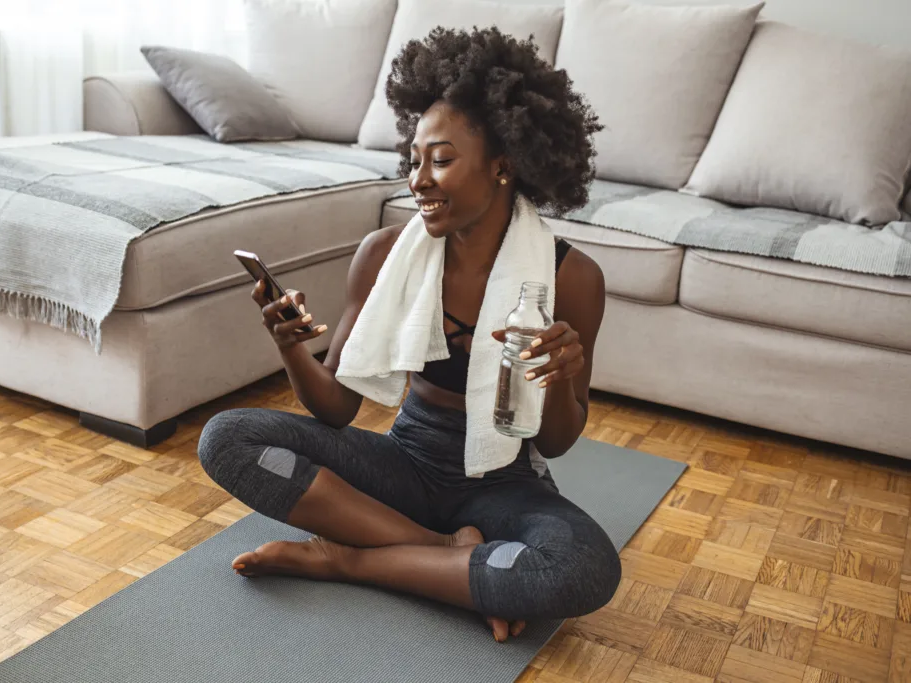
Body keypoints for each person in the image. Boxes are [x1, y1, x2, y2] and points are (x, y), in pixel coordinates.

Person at [198, 26, 620, 642]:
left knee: (584, 569)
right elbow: (337, 409)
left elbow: (555, 444)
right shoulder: (382, 255)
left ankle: (348, 559)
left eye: (441, 160)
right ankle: (444, 554)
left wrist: (562, 378)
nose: (418, 179)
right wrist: (290, 344)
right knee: (226, 439)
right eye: (414, 159)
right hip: (406, 461)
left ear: (503, 166)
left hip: (505, 479)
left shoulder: (572, 278)